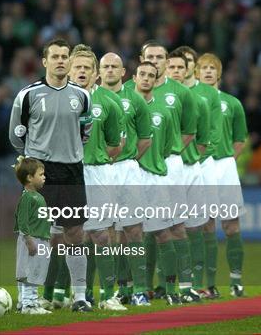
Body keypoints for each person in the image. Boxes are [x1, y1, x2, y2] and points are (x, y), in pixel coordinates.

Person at [9, 38, 92, 312]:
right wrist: (34, 162)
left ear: (69, 60)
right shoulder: (28, 95)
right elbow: (16, 137)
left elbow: (85, 133)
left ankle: (79, 296)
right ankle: (28, 300)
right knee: (34, 234)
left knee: (75, 233)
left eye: (64, 56)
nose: (60, 61)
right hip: (40, 170)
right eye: (54, 56)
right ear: (44, 61)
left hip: (71, 170)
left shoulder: (82, 96)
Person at [125, 41, 200, 303]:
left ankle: (183, 286)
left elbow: (189, 132)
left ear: (166, 61)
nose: (155, 62)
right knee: (134, 230)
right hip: (133, 170)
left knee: (174, 227)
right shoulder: (126, 92)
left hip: (168, 166)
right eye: (150, 58)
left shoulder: (180, 93)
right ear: (141, 60)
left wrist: (165, 154)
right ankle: (138, 288)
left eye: (159, 57)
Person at [69, 44, 126, 311]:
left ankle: (107, 295)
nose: (82, 71)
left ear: (96, 74)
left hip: (98, 172)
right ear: (70, 70)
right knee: (67, 235)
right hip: (67, 172)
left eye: (87, 68)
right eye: (77, 66)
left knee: (101, 235)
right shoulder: (59, 100)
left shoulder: (110, 102)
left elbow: (115, 145)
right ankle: (73, 294)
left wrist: (97, 159)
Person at [99, 52, 152, 306]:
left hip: (128, 169)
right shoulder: (90, 98)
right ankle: (116, 288)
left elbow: (145, 139)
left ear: (123, 72)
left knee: (133, 230)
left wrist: (127, 158)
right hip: (101, 169)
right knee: (106, 231)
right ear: (99, 71)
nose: (110, 70)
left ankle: (140, 288)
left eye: (115, 66)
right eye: (105, 66)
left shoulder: (135, 100)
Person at [197, 52, 247, 297]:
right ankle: (209, 284)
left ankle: (236, 281)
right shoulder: (192, 100)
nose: (208, 71)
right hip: (201, 166)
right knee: (205, 225)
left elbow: (240, 139)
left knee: (231, 226)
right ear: (196, 73)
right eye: (203, 68)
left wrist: (227, 161)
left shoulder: (232, 103)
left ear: (219, 74)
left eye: (212, 68)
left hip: (224, 166)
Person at [134, 60, 184, 305]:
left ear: (156, 81)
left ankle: (171, 290)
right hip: (130, 178)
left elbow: (166, 148)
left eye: (150, 75)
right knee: (129, 234)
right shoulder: (125, 108)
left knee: (162, 233)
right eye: (141, 74)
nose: (145, 78)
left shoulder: (164, 111)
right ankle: (136, 290)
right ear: (134, 77)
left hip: (155, 177)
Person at [176, 45, 222, 299]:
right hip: (173, 167)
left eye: (188, 62)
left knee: (202, 224)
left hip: (200, 165)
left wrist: (194, 158)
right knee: (165, 224)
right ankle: (169, 283)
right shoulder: (167, 93)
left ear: (191, 66)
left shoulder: (207, 95)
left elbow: (211, 135)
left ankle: (205, 283)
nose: (183, 67)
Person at [166, 51, 209, 294]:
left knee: (192, 226)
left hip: (189, 167)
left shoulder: (197, 101)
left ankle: (194, 282)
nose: (175, 71)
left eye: (180, 67)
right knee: (163, 226)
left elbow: (201, 139)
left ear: (188, 71)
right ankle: (167, 283)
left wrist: (185, 157)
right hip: (168, 167)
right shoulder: (157, 97)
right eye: (170, 66)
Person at [14, 156, 51, 315]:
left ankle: (25, 303)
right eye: (41, 174)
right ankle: (29, 305)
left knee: (33, 270)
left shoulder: (37, 196)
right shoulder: (27, 197)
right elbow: (22, 221)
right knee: (31, 272)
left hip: (40, 238)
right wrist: (29, 240)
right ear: (29, 177)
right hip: (33, 239)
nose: (44, 177)